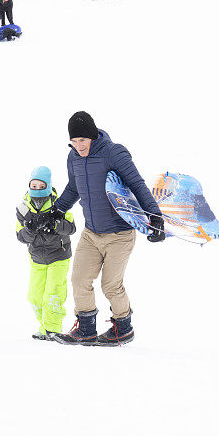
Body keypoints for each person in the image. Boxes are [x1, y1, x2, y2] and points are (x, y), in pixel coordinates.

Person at [50, 111, 166, 347]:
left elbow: (137, 183)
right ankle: (86, 329)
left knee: (111, 285)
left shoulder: (113, 152)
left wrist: (155, 217)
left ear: (92, 137)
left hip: (119, 234)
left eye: (82, 140)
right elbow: (73, 188)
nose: (78, 146)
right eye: (73, 141)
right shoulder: (73, 158)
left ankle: (122, 328)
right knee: (79, 280)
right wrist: (56, 210)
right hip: (91, 233)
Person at [15, 167, 76, 340]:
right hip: (37, 258)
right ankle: (44, 326)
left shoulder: (59, 205)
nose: (36, 189)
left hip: (58, 255)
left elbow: (71, 227)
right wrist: (31, 230)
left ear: (47, 186)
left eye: (40, 186)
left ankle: (53, 328)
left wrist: (55, 226)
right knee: (34, 296)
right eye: (33, 185)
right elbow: (20, 236)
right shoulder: (23, 209)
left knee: (53, 293)